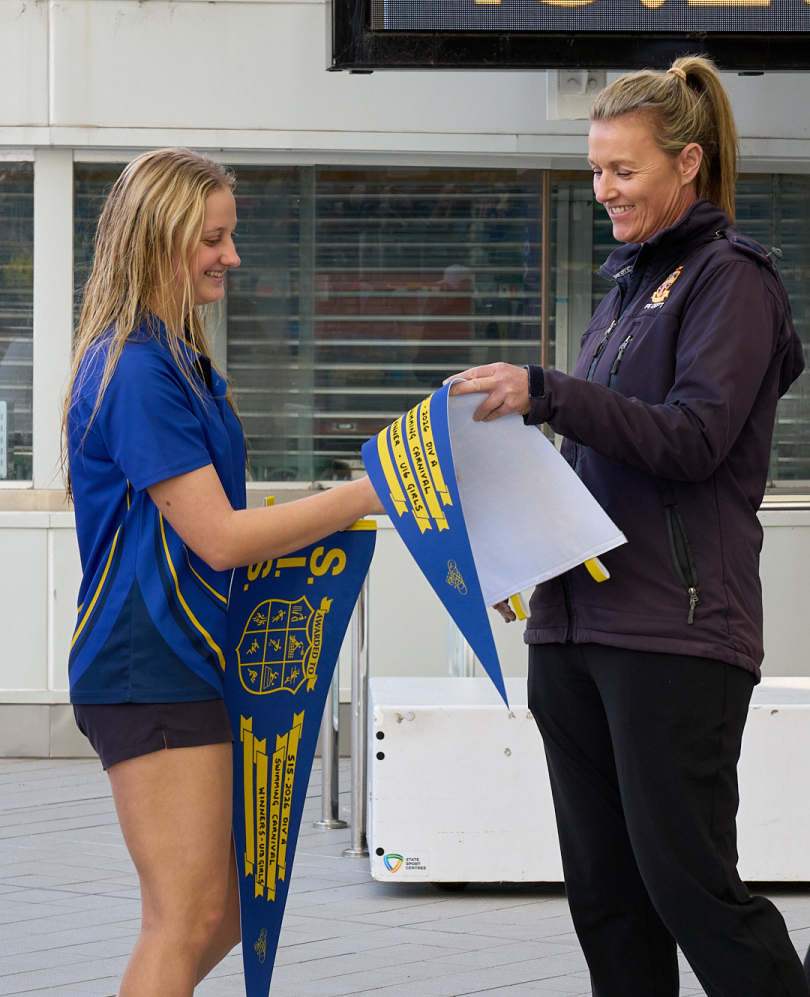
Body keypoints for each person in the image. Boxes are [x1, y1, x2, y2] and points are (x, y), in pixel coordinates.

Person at [448, 57, 809, 996]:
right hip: (573, 629)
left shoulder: (731, 281)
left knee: (692, 891)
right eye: (596, 169)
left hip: (674, 633)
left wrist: (548, 392)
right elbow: (602, 457)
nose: (603, 188)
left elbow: (693, 439)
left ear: (687, 163)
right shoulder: (624, 292)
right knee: (607, 900)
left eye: (624, 169)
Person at [62, 149, 381, 997]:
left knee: (226, 909)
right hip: (149, 665)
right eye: (213, 239)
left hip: (188, 661)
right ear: (157, 240)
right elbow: (221, 539)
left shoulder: (175, 360)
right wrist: (369, 491)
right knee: (187, 918)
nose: (231, 257)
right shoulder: (137, 369)